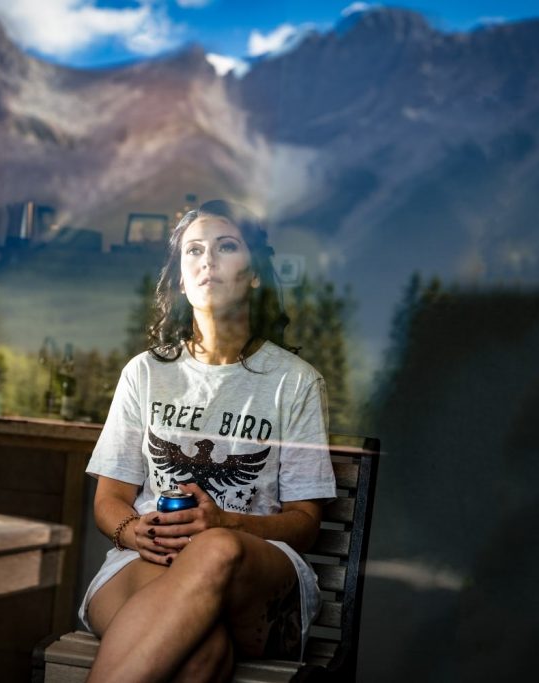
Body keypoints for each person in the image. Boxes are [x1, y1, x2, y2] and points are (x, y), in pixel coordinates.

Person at [79, 199, 336, 682]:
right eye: (193, 250)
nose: (207, 260)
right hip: (151, 558)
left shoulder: (294, 382)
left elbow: (305, 524)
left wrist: (225, 522)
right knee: (201, 656)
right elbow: (110, 499)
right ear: (180, 277)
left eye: (227, 246)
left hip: (255, 577)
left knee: (216, 547)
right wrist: (132, 532)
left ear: (255, 272)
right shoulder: (145, 373)